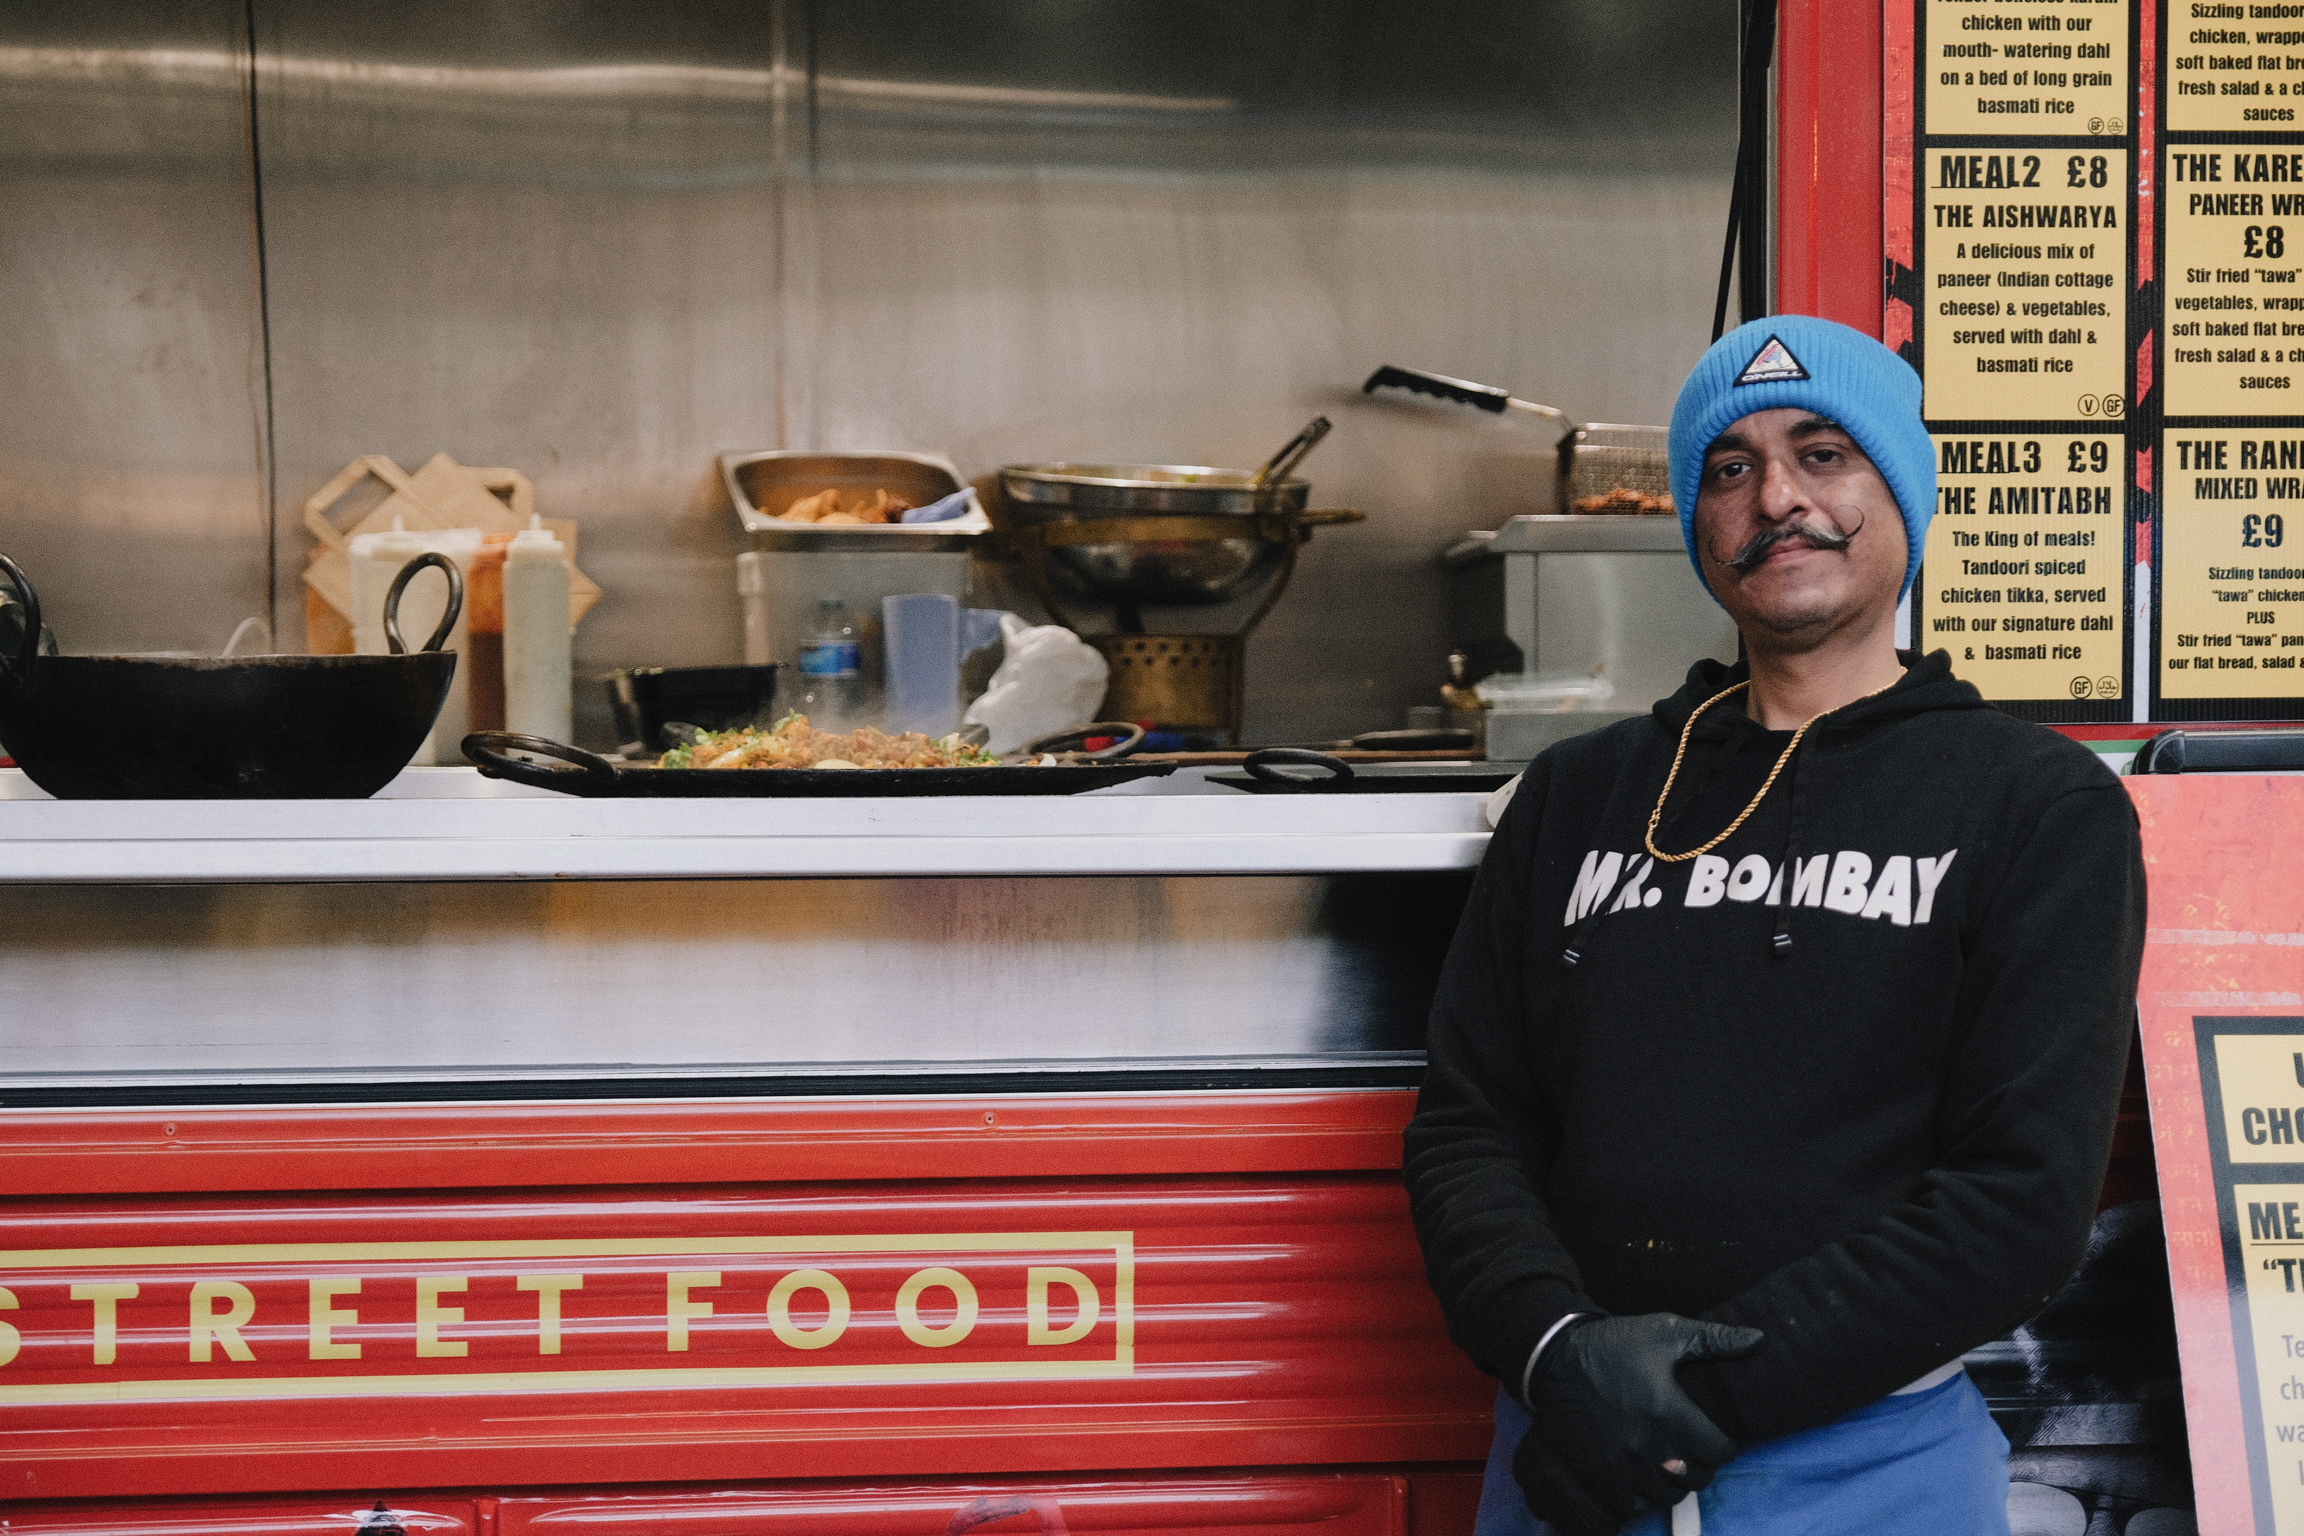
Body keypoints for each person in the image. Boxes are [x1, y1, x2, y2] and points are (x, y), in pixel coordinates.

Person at [1403, 314, 2146, 1536]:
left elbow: (2020, 1199)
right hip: (1568, 1454)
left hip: (1870, 1471)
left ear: (1904, 491)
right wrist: (1555, 1357)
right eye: (1731, 468)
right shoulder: (1581, 794)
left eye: (1824, 453)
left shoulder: (2037, 805)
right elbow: (1470, 1128)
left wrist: (1693, 1406)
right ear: (1697, 519)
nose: (1777, 498)